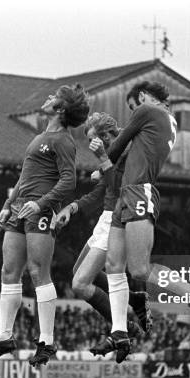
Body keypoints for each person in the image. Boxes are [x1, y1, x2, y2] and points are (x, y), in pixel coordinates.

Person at [89, 81, 190, 363]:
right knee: (113, 266)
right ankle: (119, 331)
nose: (133, 112)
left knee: (139, 270)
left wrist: (101, 160)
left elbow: (118, 146)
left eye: (132, 107)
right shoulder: (169, 120)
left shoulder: (147, 110)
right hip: (129, 192)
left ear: (141, 97)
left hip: (139, 191)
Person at [0, 84, 90, 367]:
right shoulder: (41, 136)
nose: (48, 98)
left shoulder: (63, 140)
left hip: (40, 208)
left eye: (55, 97)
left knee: (38, 271)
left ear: (61, 109)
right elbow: (24, 176)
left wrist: (41, 204)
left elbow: (69, 181)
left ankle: (47, 342)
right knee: (8, 270)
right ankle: (4, 337)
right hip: (19, 207)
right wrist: (6, 206)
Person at [51, 112, 152, 339]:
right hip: (105, 220)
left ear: (106, 136)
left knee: (79, 284)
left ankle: (125, 329)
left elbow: (119, 189)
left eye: (92, 139)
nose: (90, 145)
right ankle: (135, 299)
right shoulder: (111, 155)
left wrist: (103, 159)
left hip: (119, 221)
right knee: (77, 272)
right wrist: (71, 208)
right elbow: (101, 192)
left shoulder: (129, 155)